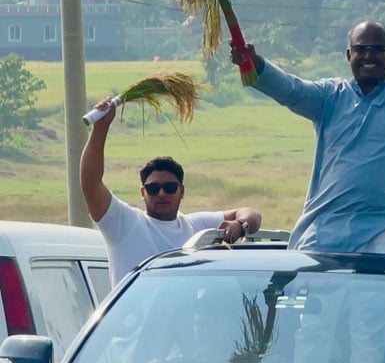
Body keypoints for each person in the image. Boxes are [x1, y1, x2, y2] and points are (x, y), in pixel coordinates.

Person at [231, 20, 385, 254]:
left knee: (384, 296)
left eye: (377, 49)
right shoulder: (328, 97)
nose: (368, 56)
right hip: (327, 222)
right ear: (348, 54)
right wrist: (257, 64)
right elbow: (291, 90)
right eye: (361, 49)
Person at [80, 107, 261, 285]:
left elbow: (252, 215)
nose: (161, 194)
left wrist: (239, 226)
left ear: (182, 191)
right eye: (153, 189)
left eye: (169, 187)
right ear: (143, 193)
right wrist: (100, 129)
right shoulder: (124, 224)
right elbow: (91, 183)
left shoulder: (196, 225)